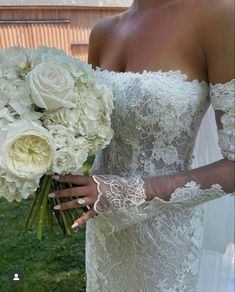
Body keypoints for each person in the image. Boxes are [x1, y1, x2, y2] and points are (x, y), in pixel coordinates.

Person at [50, 0, 235, 291]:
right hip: (104, 226)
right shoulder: (103, 31)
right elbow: (90, 125)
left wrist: (124, 192)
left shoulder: (220, 15)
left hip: (164, 233)